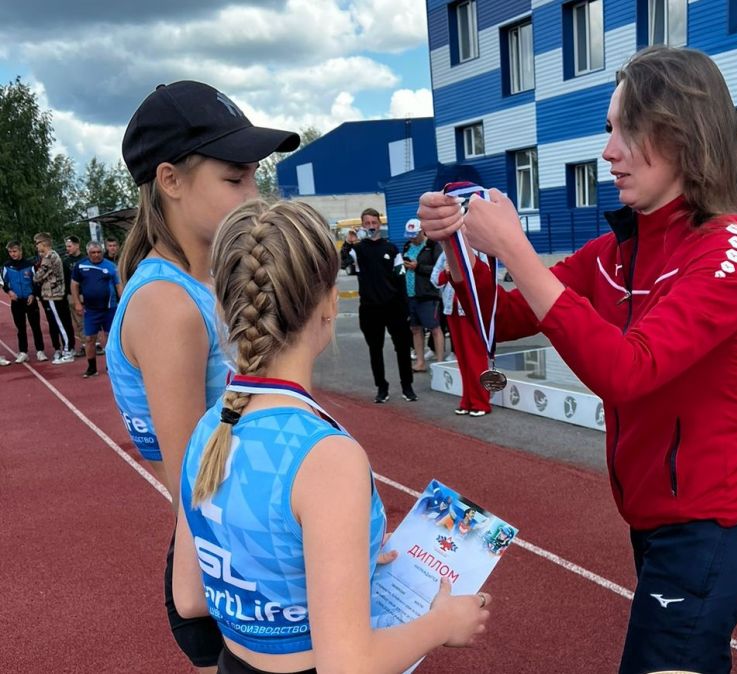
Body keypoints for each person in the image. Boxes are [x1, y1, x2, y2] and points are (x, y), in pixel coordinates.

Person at [418, 45, 737, 674]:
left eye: (625, 130)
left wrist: (517, 250)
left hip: (709, 525)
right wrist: (454, 248)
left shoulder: (731, 243)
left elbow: (627, 372)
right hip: (658, 521)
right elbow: (501, 318)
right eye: (609, 129)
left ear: (683, 134)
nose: (608, 150)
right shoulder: (619, 247)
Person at [172, 199, 491, 674]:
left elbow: (191, 597)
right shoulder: (326, 457)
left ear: (226, 304)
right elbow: (348, 667)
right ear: (327, 302)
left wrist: (345, 562)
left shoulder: (211, 424)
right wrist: (442, 625)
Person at [106, 79, 300, 672]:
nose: (255, 193)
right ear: (170, 181)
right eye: (235, 178)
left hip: (257, 533)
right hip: (232, 554)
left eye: (255, 175)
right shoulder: (167, 304)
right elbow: (196, 480)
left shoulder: (212, 280)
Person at [354, 207, 417, 403]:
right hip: (369, 308)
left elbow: (400, 279)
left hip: (394, 307)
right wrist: (349, 244)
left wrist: (406, 308)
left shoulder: (391, 249)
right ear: (362, 225)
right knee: (375, 349)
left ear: (380, 224)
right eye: (367, 224)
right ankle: (382, 387)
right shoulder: (358, 250)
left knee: (403, 348)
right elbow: (342, 261)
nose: (371, 227)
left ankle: (407, 387)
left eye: (374, 223)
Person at [430, 250, 491, 417]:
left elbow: (488, 275)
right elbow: (435, 279)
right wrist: (446, 272)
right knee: (462, 358)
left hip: (471, 310)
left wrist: (465, 270)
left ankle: (481, 402)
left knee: (475, 357)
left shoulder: (479, 251)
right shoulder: (445, 254)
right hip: (452, 310)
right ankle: (467, 400)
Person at [71, 241, 123, 378]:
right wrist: (77, 302)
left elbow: (118, 286)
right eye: (93, 253)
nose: (96, 255)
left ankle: (110, 366)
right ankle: (92, 367)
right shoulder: (80, 266)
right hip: (91, 310)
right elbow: (74, 285)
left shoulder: (111, 266)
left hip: (109, 309)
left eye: (99, 252)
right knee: (89, 339)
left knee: (110, 338)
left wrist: (123, 302)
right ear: (88, 253)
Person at [402, 218, 444, 371]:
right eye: (410, 235)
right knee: (415, 328)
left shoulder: (432, 246)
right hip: (411, 293)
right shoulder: (407, 245)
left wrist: (418, 267)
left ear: (422, 231)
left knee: (434, 328)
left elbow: (439, 269)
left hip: (428, 294)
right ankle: (420, 361)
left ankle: (440, 362)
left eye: (414, 235)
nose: (412, 238)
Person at [32, 232, 76, 364]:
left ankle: (67, 352)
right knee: (65, 322)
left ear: (43, 243)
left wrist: (37, 277)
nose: (36, 246)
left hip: (53, 294)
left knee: (61, 324)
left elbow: (37, 277)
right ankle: (70, 348)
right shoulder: (54, 255)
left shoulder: (48, 256)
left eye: (37, 243)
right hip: (58, 293)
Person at [2, 241, 47, 363]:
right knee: (20, 328)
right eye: (10, 252)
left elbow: (37, 282)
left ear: (20, 251)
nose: (13, 254)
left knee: (35, 326)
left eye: (15, 251)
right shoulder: (6, 266)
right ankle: (23, 352)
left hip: (30, 300)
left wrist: (33, 294)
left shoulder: (30, 265)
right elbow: (4, 283)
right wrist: (9, 292)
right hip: (16, 301)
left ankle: (40, 351)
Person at [63, 235, 86, 356]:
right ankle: (84, 344)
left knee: (90, 319)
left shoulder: (86, 259)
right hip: (72, 295)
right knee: (78, 322)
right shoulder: (66, 262)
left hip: (86, 293)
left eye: (70, 246)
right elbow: (65, 279)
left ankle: (96, 344)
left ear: (77, 245)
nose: (68, 249)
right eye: (66, 246)